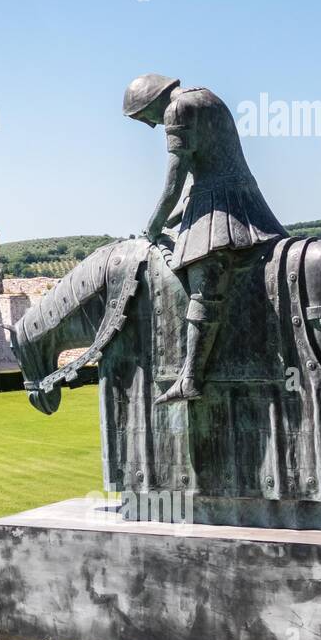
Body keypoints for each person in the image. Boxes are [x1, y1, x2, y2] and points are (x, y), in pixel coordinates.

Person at [124, 73, 288, 404]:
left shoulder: (177, 109)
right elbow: (207, 170)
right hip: (238, 195)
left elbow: (174, 181)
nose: (149, 125)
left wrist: (153, 226)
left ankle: (190, 378)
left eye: (143, 117)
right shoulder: (207, 97)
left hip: (222, 206)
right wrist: (178, 214)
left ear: (153, 100)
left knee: (204, 288)